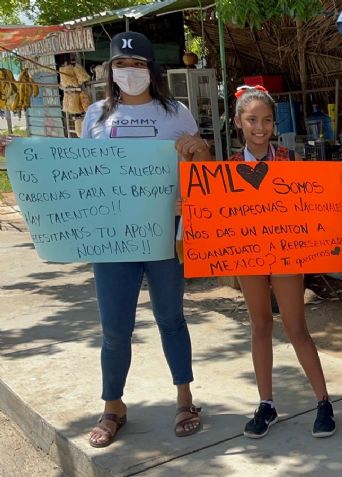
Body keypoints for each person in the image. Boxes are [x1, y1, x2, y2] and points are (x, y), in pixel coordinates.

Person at [81, 32, 211, 448]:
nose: (130, 72)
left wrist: (200, 149)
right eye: (121, 64)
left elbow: (201, 172)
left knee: (171, 319)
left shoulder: (176, 113)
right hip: (113, 238)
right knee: (114, 328)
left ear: (152, 70)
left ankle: (185, 398)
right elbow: (83, 171)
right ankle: (113, 405)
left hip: (162, 236)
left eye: (138, 65)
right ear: (110, 71)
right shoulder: (96, 115)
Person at [227, 85, 342, 439]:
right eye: (252, 120)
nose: (260, 127)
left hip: (285, 252)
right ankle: (266, 403)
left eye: (266, 120)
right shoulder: (229, 169)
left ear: (274, 123)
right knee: (260, 325)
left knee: (296, 327)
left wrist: (341, 184)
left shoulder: (290, 161)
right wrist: (189, 208)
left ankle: (323, 401)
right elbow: (216, 212)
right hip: (248, 254)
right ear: (239, 123)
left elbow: (318, 196)